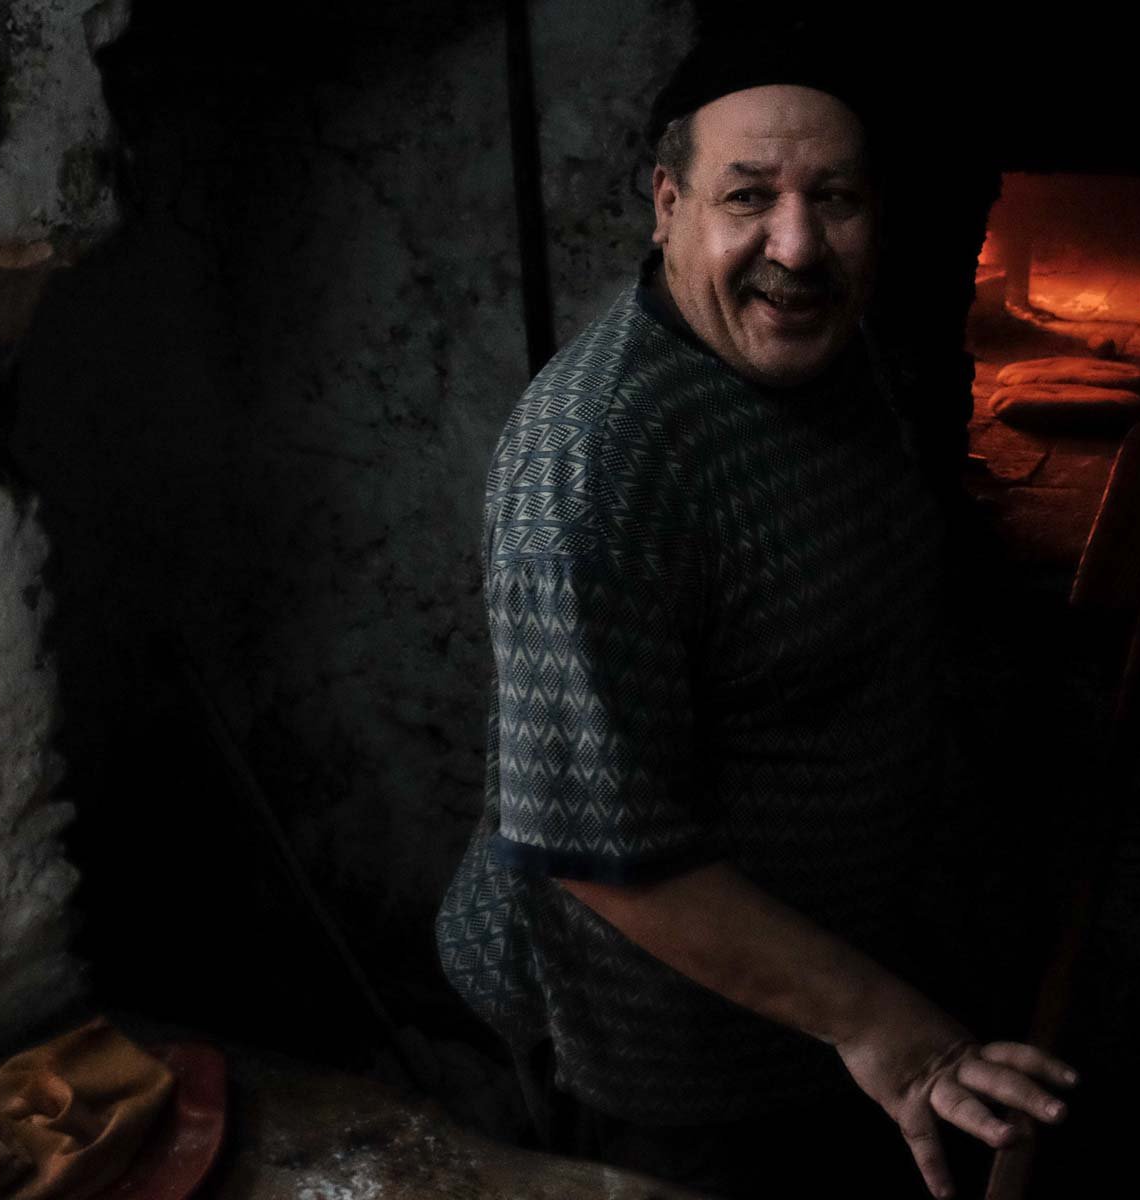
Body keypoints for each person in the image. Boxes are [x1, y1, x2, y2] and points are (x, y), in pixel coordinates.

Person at [436, 31, 1075, 1199]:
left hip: (831, 1000)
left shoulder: (840, 354)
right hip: (668, 1054)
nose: (797, 246)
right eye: (748, 198)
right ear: (668, 206)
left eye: (832, 198)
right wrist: (888, 1023)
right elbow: (600, 850)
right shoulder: (599, 465)